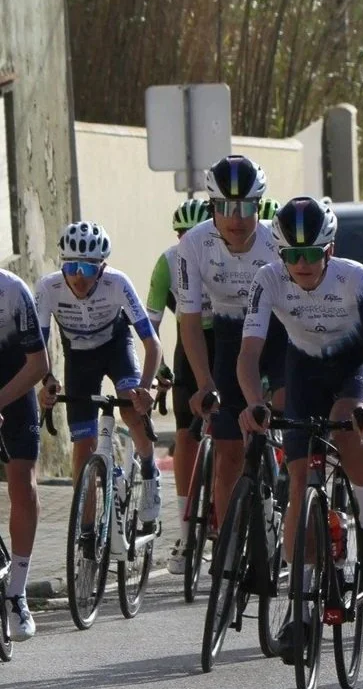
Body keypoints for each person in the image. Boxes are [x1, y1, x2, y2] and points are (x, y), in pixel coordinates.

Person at [239, 197, 363, 655]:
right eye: (291, 255)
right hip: (303, 367)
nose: (301, 265)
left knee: (345, 425)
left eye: (312, 255)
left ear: (330, 251)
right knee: (297, 485)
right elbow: (249, 354)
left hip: (352, 366)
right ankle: (301, 612)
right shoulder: (266, 280)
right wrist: (254, 405)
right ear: (279, 254)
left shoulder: (355, 278)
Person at [175, 155, 284, 529]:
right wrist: (204, 380)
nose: (236, 218)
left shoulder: (277, 241)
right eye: (225, 207)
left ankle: (290, 499)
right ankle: (229, 548)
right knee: (228, 450)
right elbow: (189, 321)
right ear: (212, 207)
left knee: (289, 411)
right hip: (227, 335)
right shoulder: (193, 244)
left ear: (259, 206)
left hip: (278, 333)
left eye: (246, 207)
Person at [37, 222, 162, 545]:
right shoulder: (48, 288)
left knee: (132, 411)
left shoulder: (117, 283)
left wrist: (146, 388)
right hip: (79, 359)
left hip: (116, 348)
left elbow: (153, 344)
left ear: (102, 267)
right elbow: (37, 345)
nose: (79, 275)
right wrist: (47, 380)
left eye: (89, 267)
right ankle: (88, 530)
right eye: (72, 266)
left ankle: (149, 469)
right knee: (83, 448)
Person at [145, 198, 213, 575]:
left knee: (234, 427)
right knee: (186, 432)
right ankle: (187, 534)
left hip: (230, 340)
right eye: (181, 233)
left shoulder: (225, 257)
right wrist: (162, 368)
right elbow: (150, 323)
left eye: (195, 232)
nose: (188, 239)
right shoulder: (168, 262)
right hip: (191, 346)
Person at [0, 269, 50, 642]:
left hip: (14, 393)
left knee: (22, 484)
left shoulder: (13, 291)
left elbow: (39, 365)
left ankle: (17, 592)